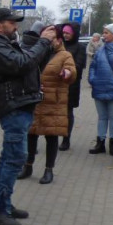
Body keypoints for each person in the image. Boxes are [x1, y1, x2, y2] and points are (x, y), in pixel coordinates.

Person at [0, 8, 55, 225]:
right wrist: (42, 42)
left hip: (19, 104)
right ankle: (0, 211)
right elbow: (21, 63)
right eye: (11, 23)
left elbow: (25, 64)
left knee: (10, 157)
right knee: (15, 157)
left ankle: (3, 204)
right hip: (12, 107)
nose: (16, 26)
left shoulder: (5, 43)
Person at [20, 25, 76, 184]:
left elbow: (71, 70)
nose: (50, 41)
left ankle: (49, 170)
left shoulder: (65, 55)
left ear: (59, 40)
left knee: (51, 136)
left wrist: (67, 73)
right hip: (35, 100)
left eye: (53, 38)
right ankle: (28, 166)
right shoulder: (38, 52)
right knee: (31, 134)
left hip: (53, 101)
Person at [87, 23, 113, 156]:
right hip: (99, 88)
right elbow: (93, 66)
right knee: (102, 117)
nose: (103, 35)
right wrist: (92, 79)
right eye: (103, 32)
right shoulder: (101, 49)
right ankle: (100, 142)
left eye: (106, 33)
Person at [59, 23, 86, 150]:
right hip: (58, 84)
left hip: (72, 84)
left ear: (74, 34)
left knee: (68, 112)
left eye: (68, 33)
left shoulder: (80, 47)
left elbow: (79, 65)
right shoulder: (59, 45)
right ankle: (55, 134)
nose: (65, 35)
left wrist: (67, 70)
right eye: (64, 33)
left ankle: (66, 138)